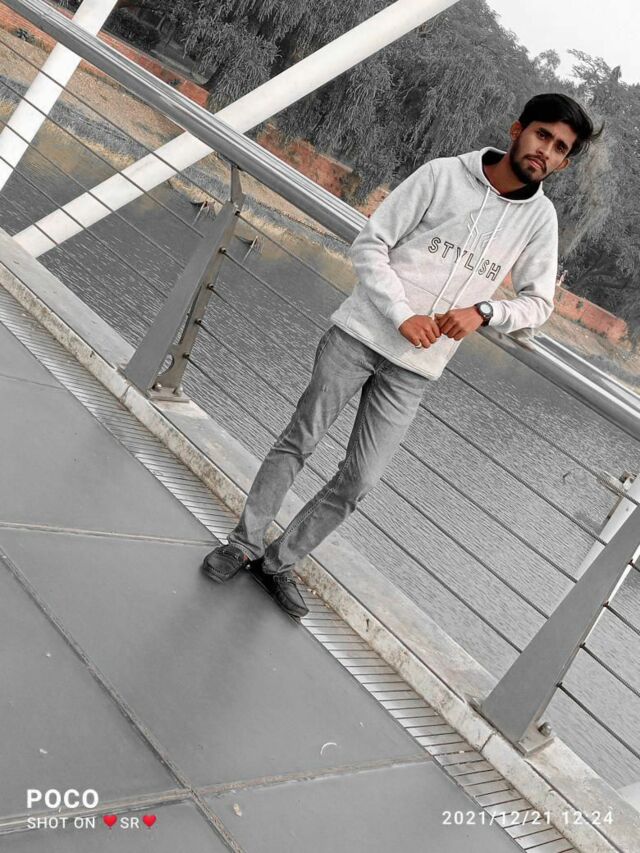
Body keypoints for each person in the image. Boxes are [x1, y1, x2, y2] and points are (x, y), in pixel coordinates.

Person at [202, 92, 599, 619]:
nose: (546, 151)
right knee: (299, 440)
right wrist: (401, 314)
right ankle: (242, 544)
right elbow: (371, 245)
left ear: (564, 163)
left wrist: (485, 311)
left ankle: (278, 562)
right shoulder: (443, 175)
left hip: (417, 369)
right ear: (517, 129)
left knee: (361, 479)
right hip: (360, 335)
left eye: (560, 148)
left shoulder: (540, 220)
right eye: (542, 135)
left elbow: (539, 303)